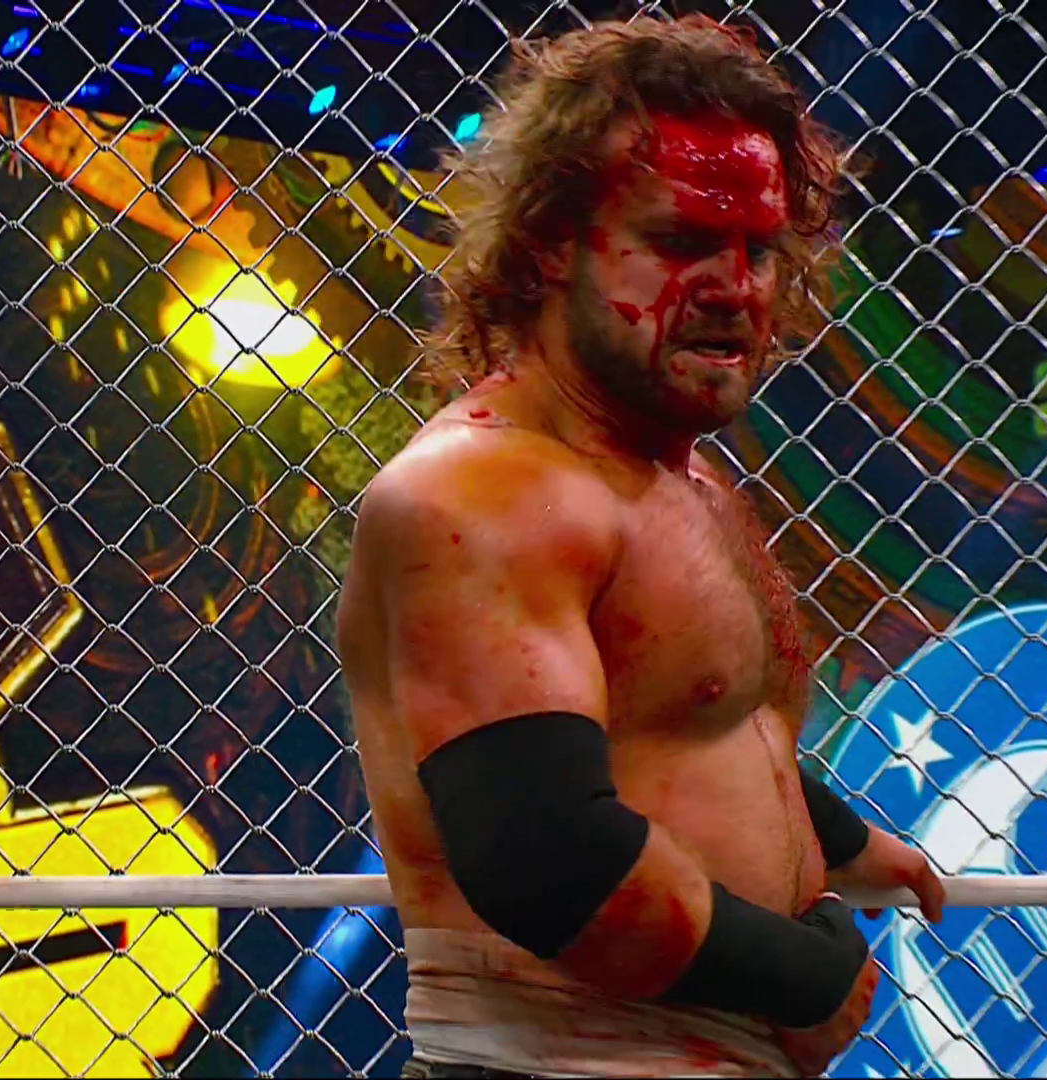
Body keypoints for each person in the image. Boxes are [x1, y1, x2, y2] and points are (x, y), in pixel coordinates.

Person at [334, 15, 948, 1079]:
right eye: (682, 241)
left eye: (760, 250)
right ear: (550, 242)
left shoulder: (678, 477)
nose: (735, 287)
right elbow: (548, 859)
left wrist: (839, 844)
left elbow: (673, 720)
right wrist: (812, 974)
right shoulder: (483, 493)